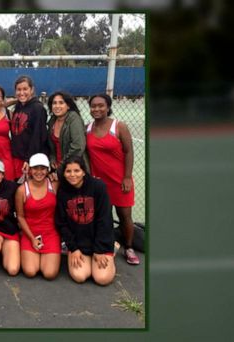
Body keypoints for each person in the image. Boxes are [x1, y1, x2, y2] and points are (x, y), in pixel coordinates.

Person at [86, 93, 140, 265]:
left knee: (125, 216)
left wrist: (127, 177)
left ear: (108, 107)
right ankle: (108, 245)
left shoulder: (119, 126)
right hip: (100, 184)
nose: (97, 109)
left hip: (120, 181)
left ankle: (129, 247)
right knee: (104, 217)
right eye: (93, 106)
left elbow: (128, 152)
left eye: (101, 105)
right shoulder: (88, 128)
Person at [55, 156, 116, 285]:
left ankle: (112, 249)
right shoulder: (62, 192)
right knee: (80, 276)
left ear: (84, 171)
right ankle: (84, 257)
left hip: (99, 242)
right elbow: (62, 223)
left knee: (102, 279)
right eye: (68, 171)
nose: (72, 175)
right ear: (64, 173)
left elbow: (104, 220)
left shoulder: (98, 187)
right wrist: (74, 248)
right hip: (79, 244)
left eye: (77, 170)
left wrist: (100, 249)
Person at [15, 153, 60, 280]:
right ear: (29, 169)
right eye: (35, 168)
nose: (39, 172)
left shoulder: (55, 184)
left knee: (49, 274)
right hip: (30, 233)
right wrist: (32, 238)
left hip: (51, 233)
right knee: (30, 271)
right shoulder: (22, 190)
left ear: (47, 170)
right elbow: (20, 216)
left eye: (42, 168)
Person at [10, 75, 49, 181]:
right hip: (17, 157)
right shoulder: (19, 106)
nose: (22, 93)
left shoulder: (38, 108)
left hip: (29, 159)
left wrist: (29, 159)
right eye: (18, 90)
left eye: (25, 89)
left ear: (32, 90)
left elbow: (38, 136)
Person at [46, 91, 90, 181]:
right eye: (54, 103)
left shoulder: (74, 119)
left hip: (74, 169)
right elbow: (52, 146)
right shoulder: (52, 121)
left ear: (68, 106)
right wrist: (52, 158)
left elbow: (78, 147)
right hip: (58, 168)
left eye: (61, 103)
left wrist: (62, 166)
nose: (57, 106)